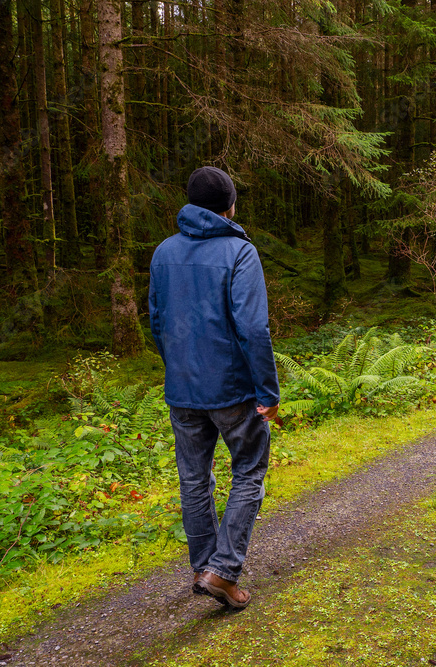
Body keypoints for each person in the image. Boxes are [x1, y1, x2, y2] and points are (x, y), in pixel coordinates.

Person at [148, 166, 280, 610]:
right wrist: (267, 390)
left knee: (193, 479)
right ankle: (222, 573)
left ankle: (205, 567)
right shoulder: (240, 252)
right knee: (248, 471)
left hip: (182, 389)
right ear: (230, 206)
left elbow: (158, 322)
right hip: (233, 391)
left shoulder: (164, 252)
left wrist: (179, 367)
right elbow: (253, 330)